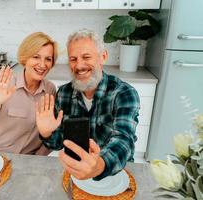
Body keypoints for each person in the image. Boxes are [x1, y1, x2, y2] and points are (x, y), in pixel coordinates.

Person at [36, 29, 140, 180]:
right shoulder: (63, 93)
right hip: (75, 170)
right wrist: (47, 133)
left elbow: (124, 141)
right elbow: (58, 144)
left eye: (86, 57)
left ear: (102, 57)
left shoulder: (124, 93)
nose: (79, 65)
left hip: (113, 170)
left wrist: (99, 165)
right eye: (73, 59)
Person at [0, 32, 58, 155]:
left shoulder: (50, 90)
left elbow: (49, 135)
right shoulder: (5, 84)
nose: (42, 64)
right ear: (25, 58)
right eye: (36, 57)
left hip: (27, 160)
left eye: (48, 59)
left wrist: (37, 159)